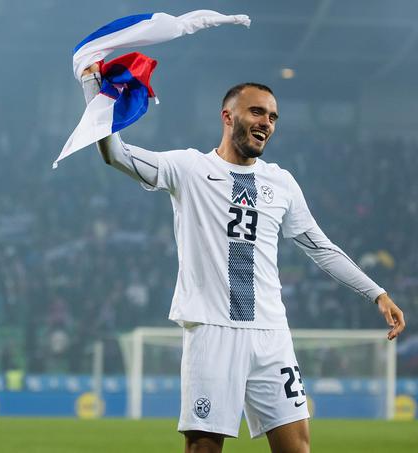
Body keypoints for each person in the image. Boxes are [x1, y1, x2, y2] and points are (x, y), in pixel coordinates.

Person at [79, 65, 405, 452]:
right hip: (212, 331)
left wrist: (377, 293)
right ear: (228, 115)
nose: (266, 122)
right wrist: (93, 91)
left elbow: (320, 246)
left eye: (272, 117)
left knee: (298, 448)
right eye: (256, 112)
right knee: (204, 447)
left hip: (272, 334)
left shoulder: (281, 182)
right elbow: (115, 153)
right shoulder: (189, 168)